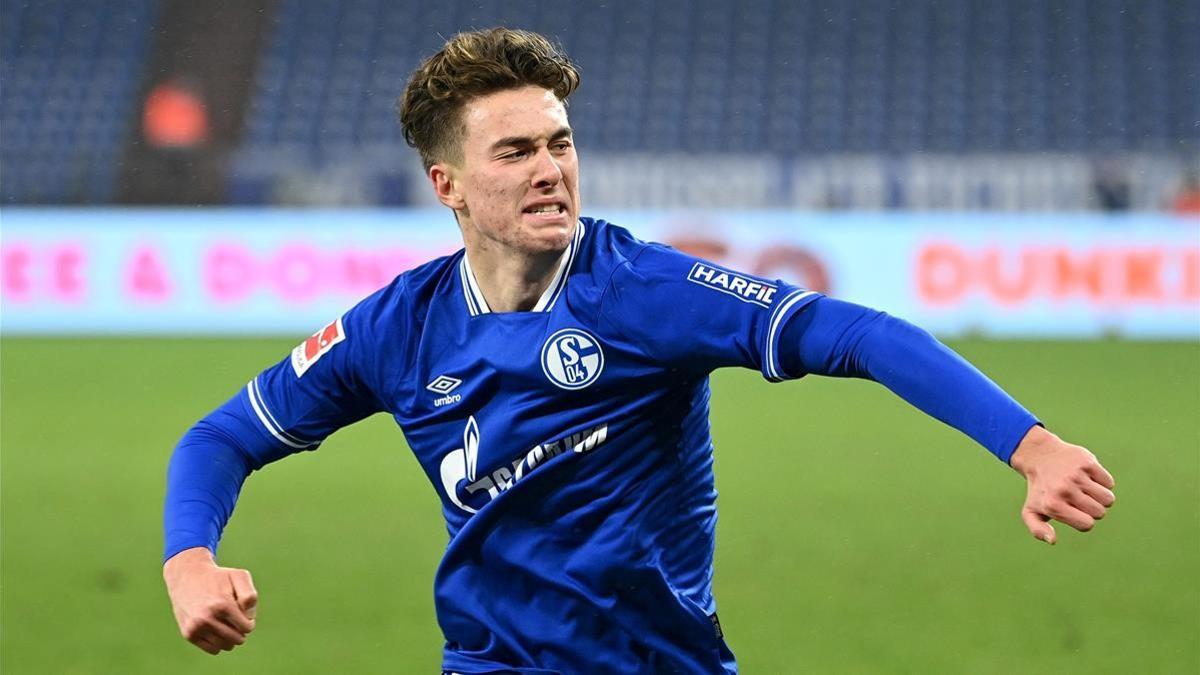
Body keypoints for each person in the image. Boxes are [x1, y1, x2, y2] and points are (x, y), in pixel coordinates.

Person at [162, 28, 1117, 673]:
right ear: (445, 181)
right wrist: (189, 559)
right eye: (515, 151)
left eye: (560, 142)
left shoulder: (641, 291)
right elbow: (220, 436)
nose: (550, 169)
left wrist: (1030, 445)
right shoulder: (395, 328)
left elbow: (854, 332)